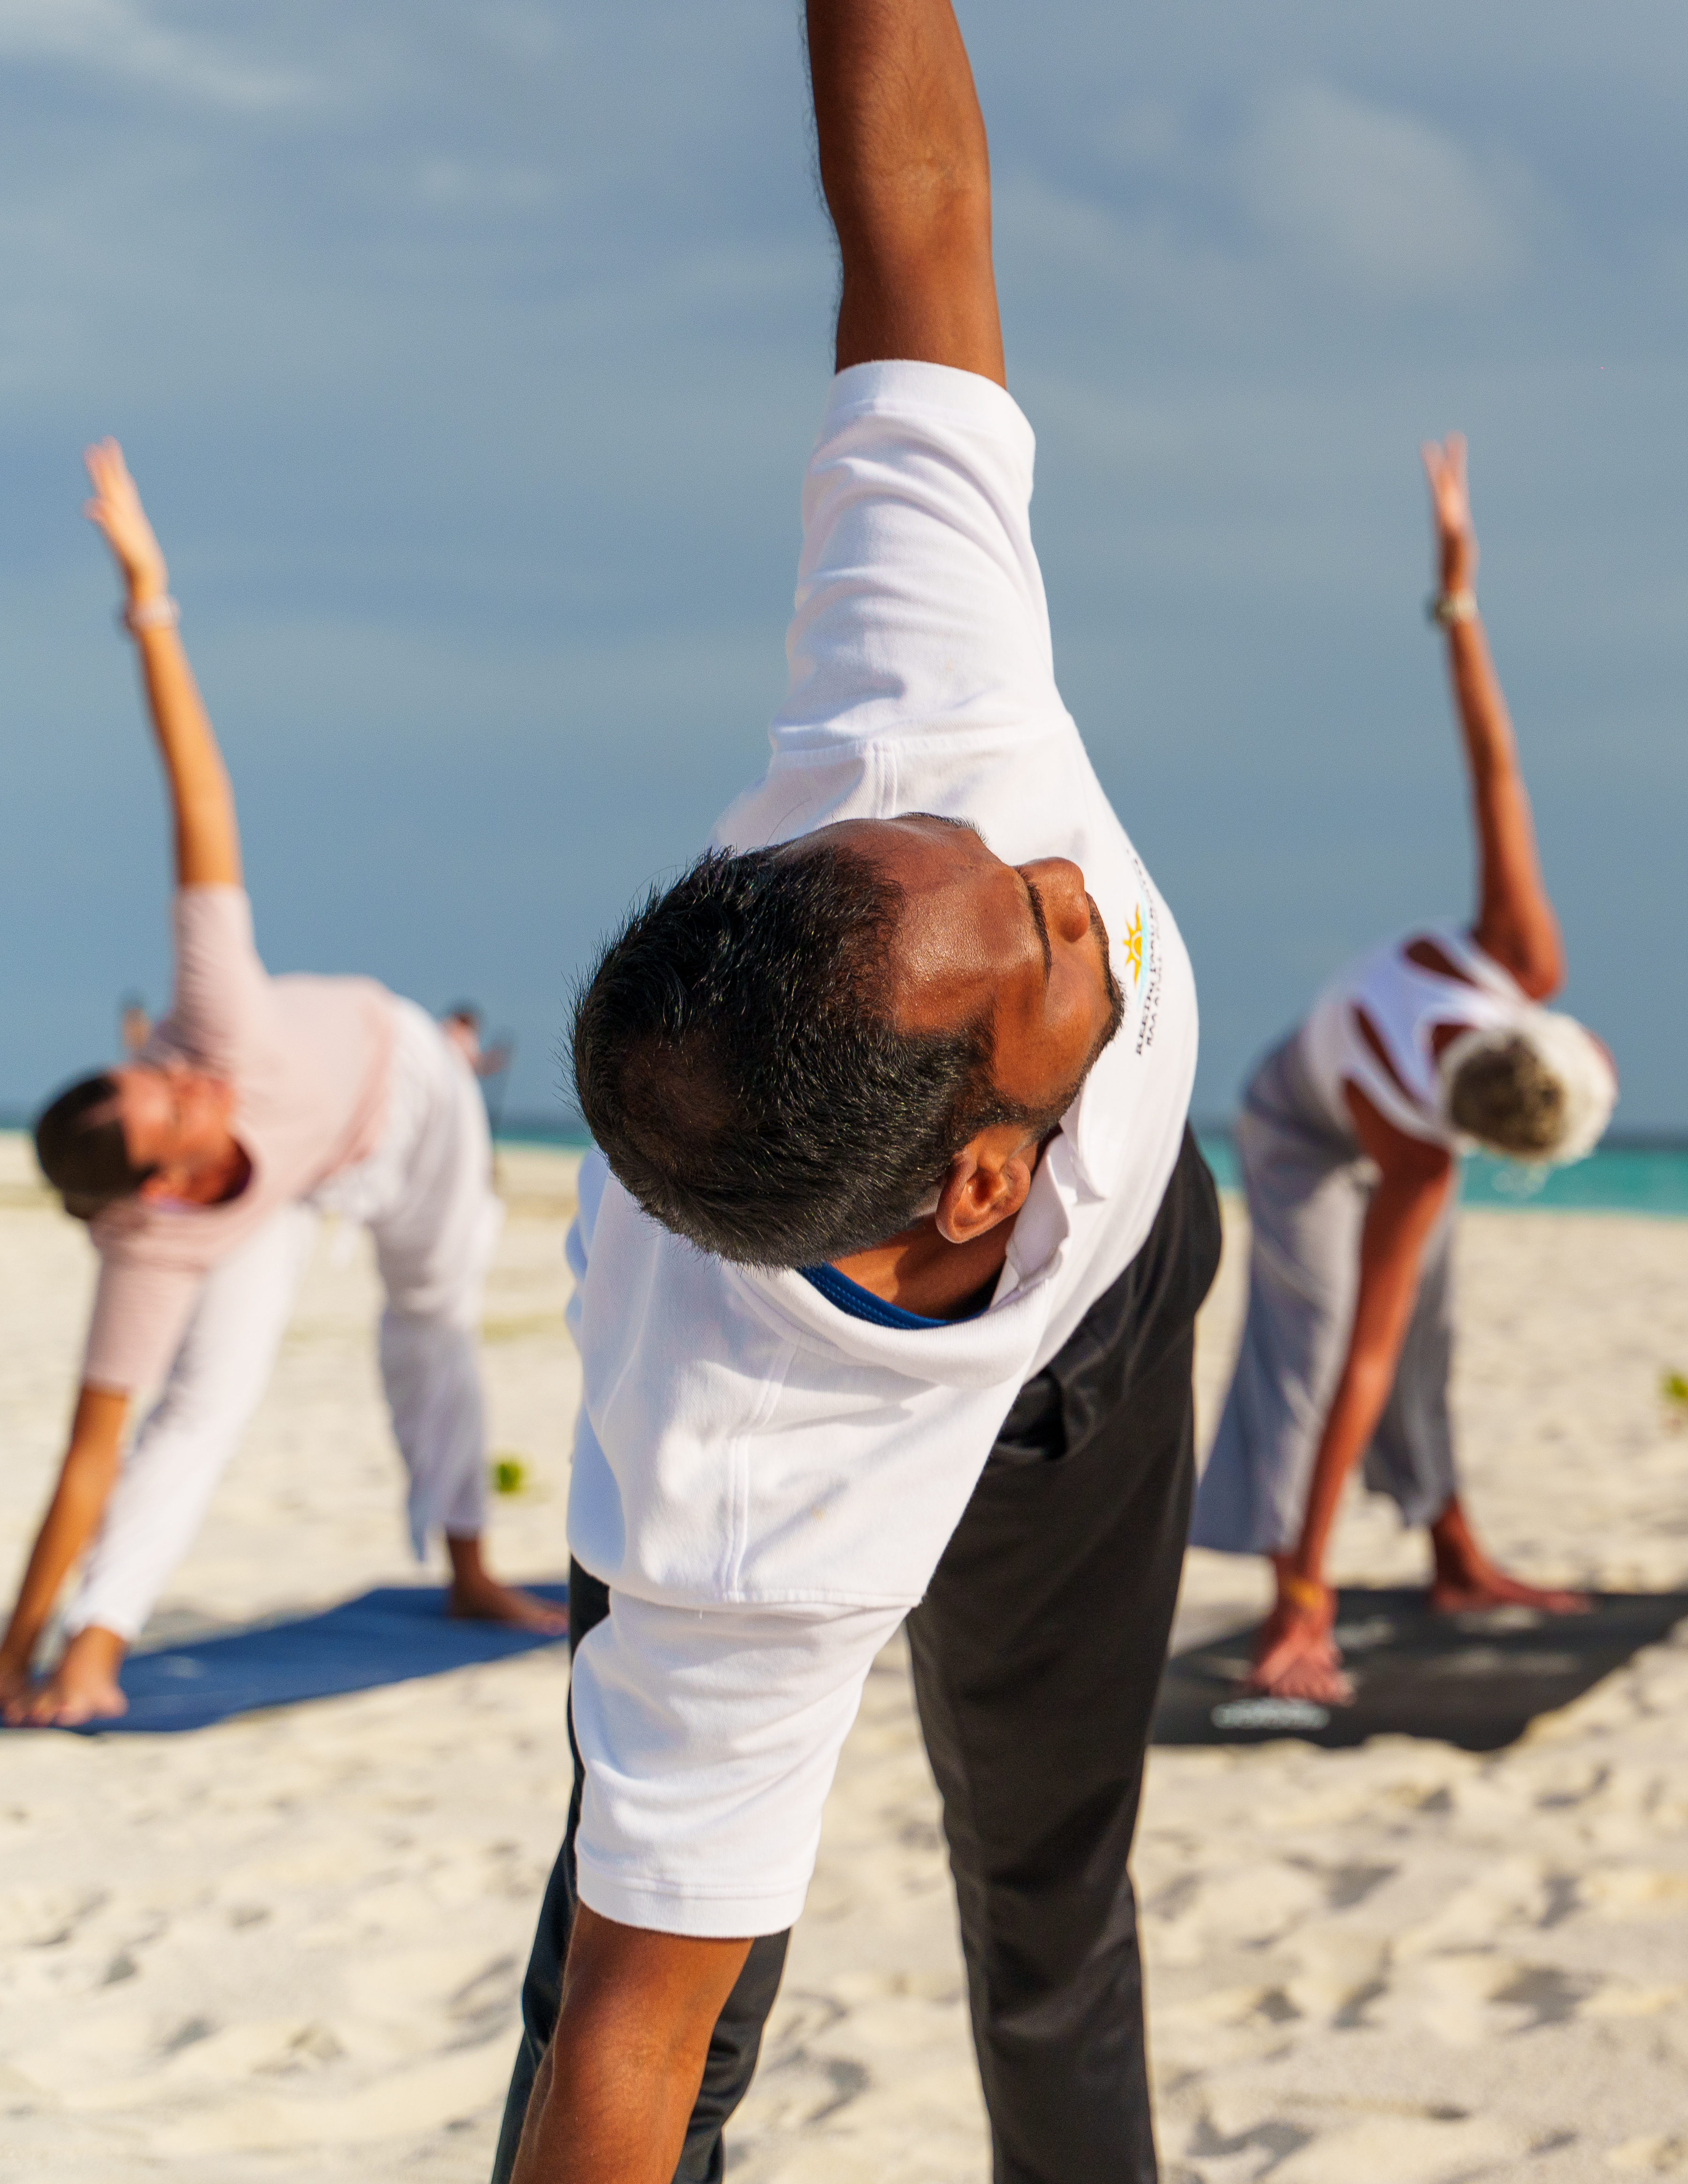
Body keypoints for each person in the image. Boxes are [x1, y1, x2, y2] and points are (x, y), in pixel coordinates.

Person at [487, 3, 1210, 2176]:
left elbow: (915, 211)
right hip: (782, 1447)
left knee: (1050, 1892)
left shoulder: (896, 745)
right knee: (640, 1981)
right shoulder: (736, 1512)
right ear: (987, 1165)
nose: (1067, 873)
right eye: (1044, 935)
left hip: (1095, 1331)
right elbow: (629, 2033)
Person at [0, 441, 558, 1731]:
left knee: (429, 1315)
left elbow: (195, 794)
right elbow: (89, 1452)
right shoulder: (151, 1245)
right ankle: (102, 1641)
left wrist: (149, 601)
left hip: (406, 1092)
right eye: (172, 1109)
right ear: (159, 1180)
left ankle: (472, 1570)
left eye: (156, 1079)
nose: (191, 1080)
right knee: (201, 1403)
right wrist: (17, 1661)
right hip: (291, 1191)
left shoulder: (214, 1018)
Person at [1190, 437, 1616, 1705]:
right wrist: (1311, 1613)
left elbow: (1496, 764)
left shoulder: (1515, 956)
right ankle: (1293, 1595)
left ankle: (1455, 1553)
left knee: (1427, 1331)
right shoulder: (1419, 1153)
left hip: (1365, 1090)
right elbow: (1355, 1371)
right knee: (1322, 1340)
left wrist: (1460, 598)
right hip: (1295, 1118)